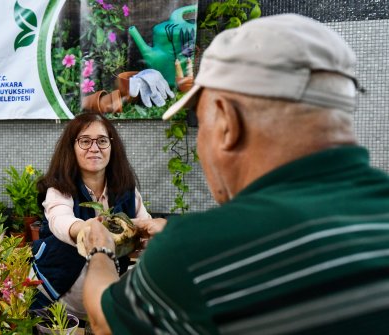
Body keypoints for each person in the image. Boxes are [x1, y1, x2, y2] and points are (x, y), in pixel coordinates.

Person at [82, 14, 389, 334]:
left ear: (227, 122)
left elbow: (104, 321)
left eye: (201, 122)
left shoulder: (195, 251)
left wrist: (100, 249)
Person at [31, 112, 166, 318]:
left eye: (102, 141)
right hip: (53, 301)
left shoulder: (126, 190)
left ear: (112, 147)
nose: (94, 148)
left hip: (102, 304)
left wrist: (148, 239)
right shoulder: (60, 189)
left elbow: (143, 228)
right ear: (72, 148)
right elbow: (60, 221)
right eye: (85, 141)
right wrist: (87, 229)